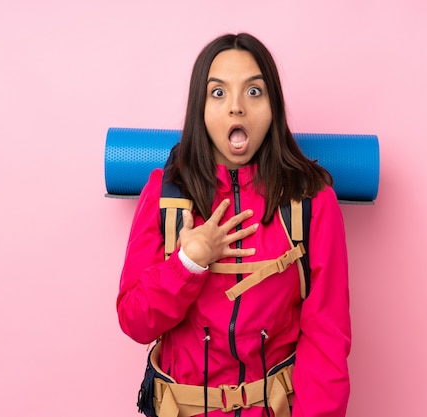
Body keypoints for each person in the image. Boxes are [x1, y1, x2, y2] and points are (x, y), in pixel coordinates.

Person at [117, 33, 351, 417]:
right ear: (200, 108)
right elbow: (135, 320)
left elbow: (327, 341)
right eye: (219, 93)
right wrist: (188, 262)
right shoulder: (165, 194)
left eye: (254, 92)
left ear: (274, 105)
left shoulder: (312, 201)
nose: (236, 108)